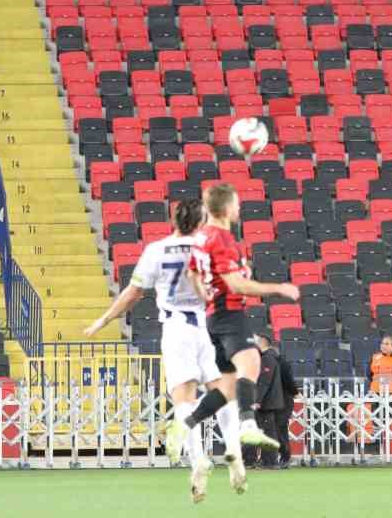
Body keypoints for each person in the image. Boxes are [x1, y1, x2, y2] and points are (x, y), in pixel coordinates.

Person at [84, 198, 236, 501]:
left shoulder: (156, 250)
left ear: (174, 219)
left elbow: (133, 293)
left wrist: (103, 320)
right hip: (203, 329)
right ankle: (233, 448)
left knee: (183, 399)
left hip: (176, 329)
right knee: (219, 389)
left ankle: (199, 459)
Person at [166, 182, 300, 494]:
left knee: (226, 388)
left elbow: (194, 275)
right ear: (226, 209)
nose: (240, 209)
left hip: (210, 316)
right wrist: (279, 288)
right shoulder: (222, 237)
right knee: (252, 360)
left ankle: (183, 424)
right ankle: (248, 423)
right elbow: (237, 286)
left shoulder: (199, 239)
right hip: (229, 314)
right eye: (237, 204)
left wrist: (209, 295)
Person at [251, 333, 297, 469]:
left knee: (278, 428)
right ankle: (275, 458)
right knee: (274, 429)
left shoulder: (276, 360)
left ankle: (283, 457)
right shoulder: (273, 359)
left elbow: (287, 380)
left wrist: (294, 392)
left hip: (280, 398)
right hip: (277, 398)